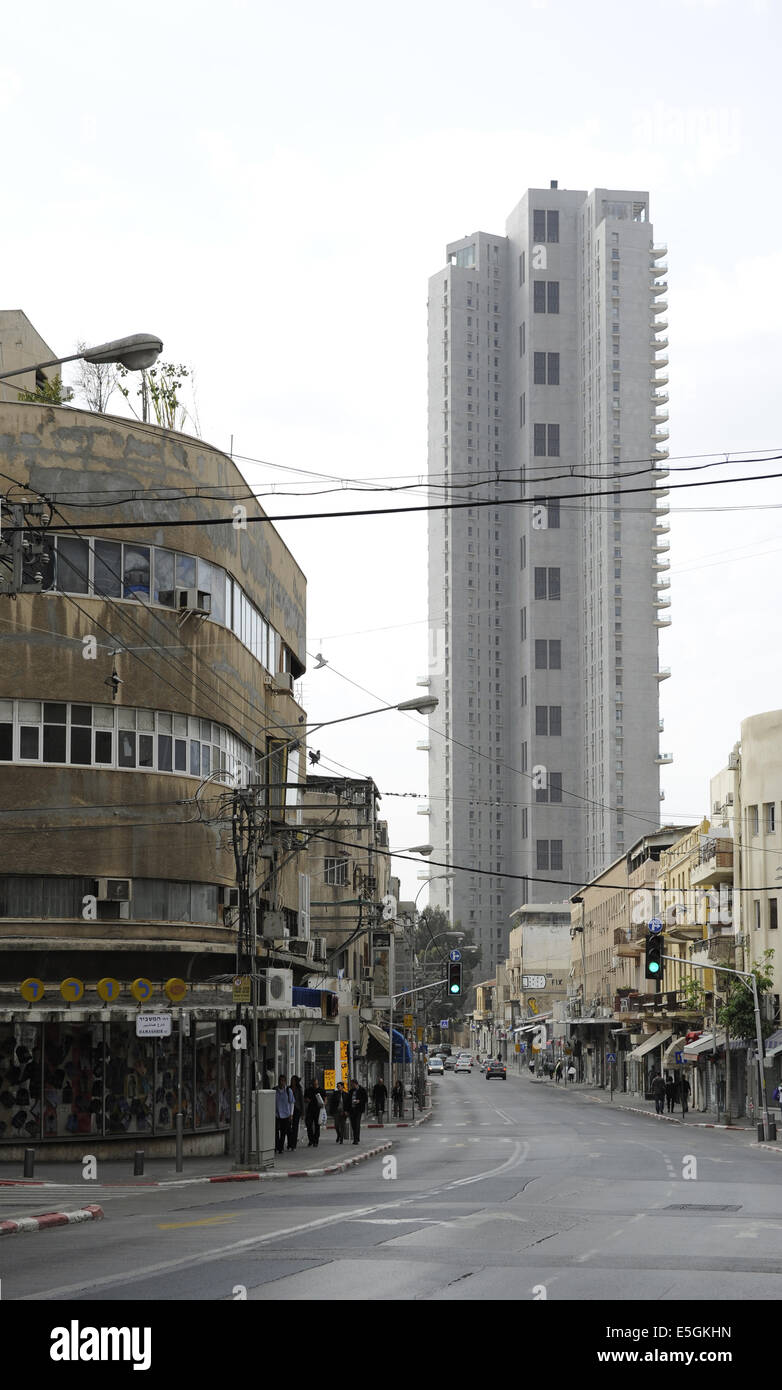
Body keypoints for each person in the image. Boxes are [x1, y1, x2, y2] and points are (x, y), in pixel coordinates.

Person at [274, 1074, 295, 1153]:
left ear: (285, 1082)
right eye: (280, 1080)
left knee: (283, 1132)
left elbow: (291, 1103)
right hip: (276, 1114)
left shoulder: (288, 1091)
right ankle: (276, 1146)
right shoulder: (275, 1090)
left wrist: (291, 1114)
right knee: (276, 1132)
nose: (281, 1082)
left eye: (283, 1081)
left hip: (286, 1114)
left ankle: (280, 1148)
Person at [303, 1078, 324, 1147]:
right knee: (308, 1124)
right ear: (312, 1084)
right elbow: (305, 1098)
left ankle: (316, 1141)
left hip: (318, 1110)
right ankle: (311, 1139)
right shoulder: (308, 1090)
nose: (315, 1085)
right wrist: (307, 1100)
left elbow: (325, 1099)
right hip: (310, 1109)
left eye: (316, 1084)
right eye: (314, 1084)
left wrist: (323, 1104)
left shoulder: (321, 1090)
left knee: (317, 1125)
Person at [347, 1078, 368, 1144]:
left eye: (352, 1084)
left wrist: (359, 1101)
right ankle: (356, 1137)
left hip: (358, 1109)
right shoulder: (351, 1091)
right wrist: (347, 1110)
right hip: (352, 1110)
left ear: (355, 1084)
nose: (351, 1086)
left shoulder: (362, 1090)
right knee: (353, 1125)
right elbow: (348, 1101)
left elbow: (365, 1099)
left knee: (357, 1124)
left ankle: (355, 1140)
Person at [287, 1075, 304, 1150]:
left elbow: (301, 1101)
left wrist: (303, 1112)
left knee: (295, 1127)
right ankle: (289, 1143)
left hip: (297, 1109)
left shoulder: (299, 1089)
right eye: (291, 1080)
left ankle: (293, 1144)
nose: (292, 1082)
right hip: (289, 1109)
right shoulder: (288, 1088)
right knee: (288, 1127)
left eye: (294, 1080)